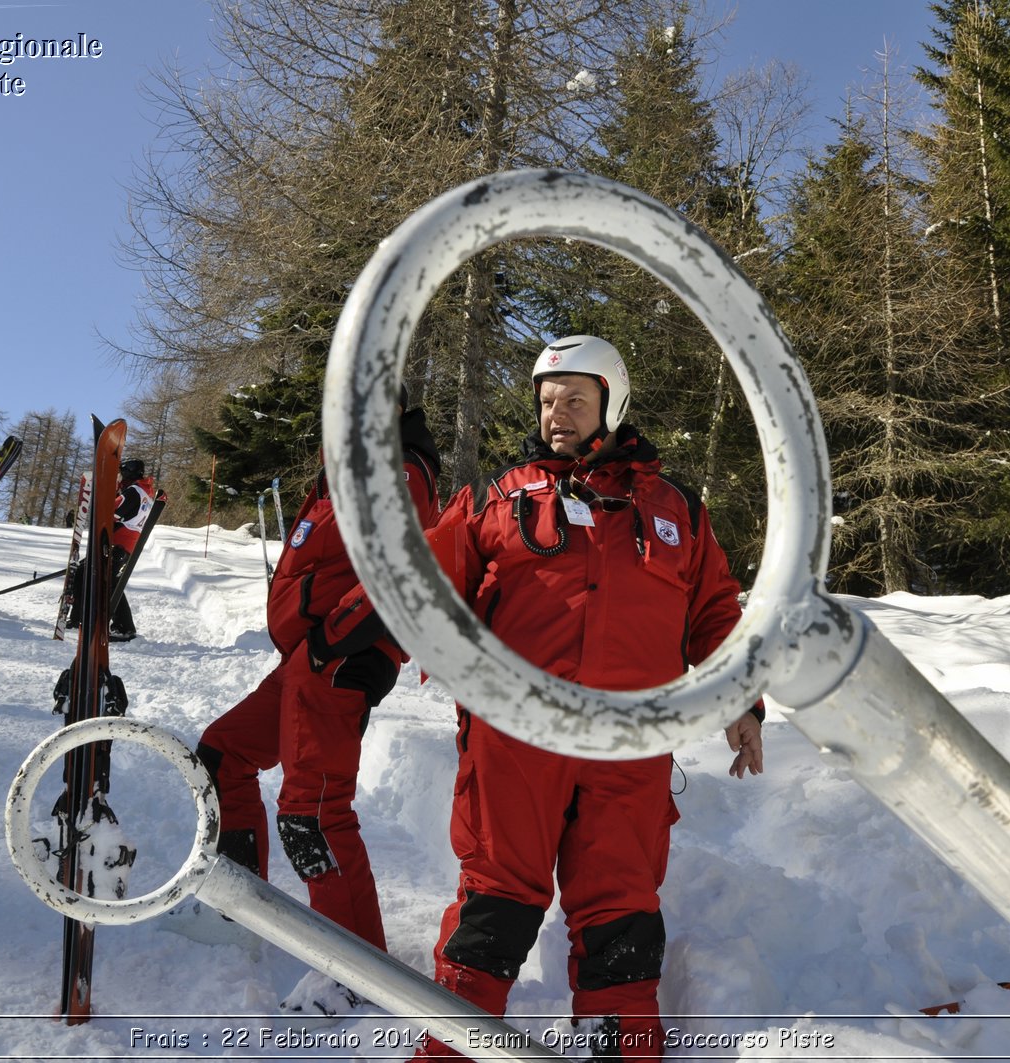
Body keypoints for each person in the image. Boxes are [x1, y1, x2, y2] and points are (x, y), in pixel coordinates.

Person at [314, 336, 764, 1061]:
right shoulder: (501, 494)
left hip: (629, 745)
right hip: (516, 743)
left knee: (621, 911)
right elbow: (421, 575)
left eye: (575, 399)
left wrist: (743, 703)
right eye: (548, 399)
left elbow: (715, 613)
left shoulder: (677, 508)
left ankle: (621, 1051)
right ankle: (453, 1051)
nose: (557, 413)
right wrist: (346, 634)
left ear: (611, 402)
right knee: (493, 903)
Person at [191, 385, 441, 1016]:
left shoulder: (398, 473)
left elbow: (404, 570)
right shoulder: (344, 472)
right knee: (223, 754)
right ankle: (237, 904)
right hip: (305, 664)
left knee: (316, 815)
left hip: (339, 662)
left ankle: (356, 974)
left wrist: (333, 642)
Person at [106, 459, 162, 643]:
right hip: (127, 544)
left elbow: (111, 511)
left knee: (110, 584)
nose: (121, 476)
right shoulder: (145, 491)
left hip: (119, 542)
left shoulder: (134, 491)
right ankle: (80, 617)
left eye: (122, 473)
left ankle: (125, 628)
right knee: (99, 578)